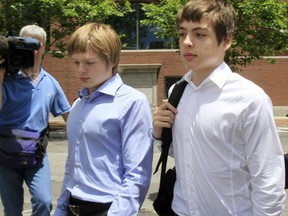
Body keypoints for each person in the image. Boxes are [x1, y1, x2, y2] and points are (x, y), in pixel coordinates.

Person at [152, 0, 286, 215]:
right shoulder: (177, 91)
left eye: (199, 34)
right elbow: (191, 156)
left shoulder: (249, 99)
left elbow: (268, 179)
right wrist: (161, 136)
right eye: (182, 33)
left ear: (226, 40)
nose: (186, 42)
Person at [54, 22, 153, 216]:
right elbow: (72, 163)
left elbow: (137, 174)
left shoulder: (132, 102)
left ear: (112, 61)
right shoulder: (78, 105)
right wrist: (61, 208)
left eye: (90, 63)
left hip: (108, 207)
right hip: (72, 206)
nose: (81, 70)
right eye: (75, 62)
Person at [0, 25, 71, 216]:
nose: (34, 51)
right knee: (12, 210)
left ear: (45, 48)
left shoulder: (50, 81)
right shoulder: (6, 79)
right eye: (28, 45)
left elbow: (69, 116)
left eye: (38, 45)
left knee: (44, 201)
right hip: (5, 153)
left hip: (36, 154)